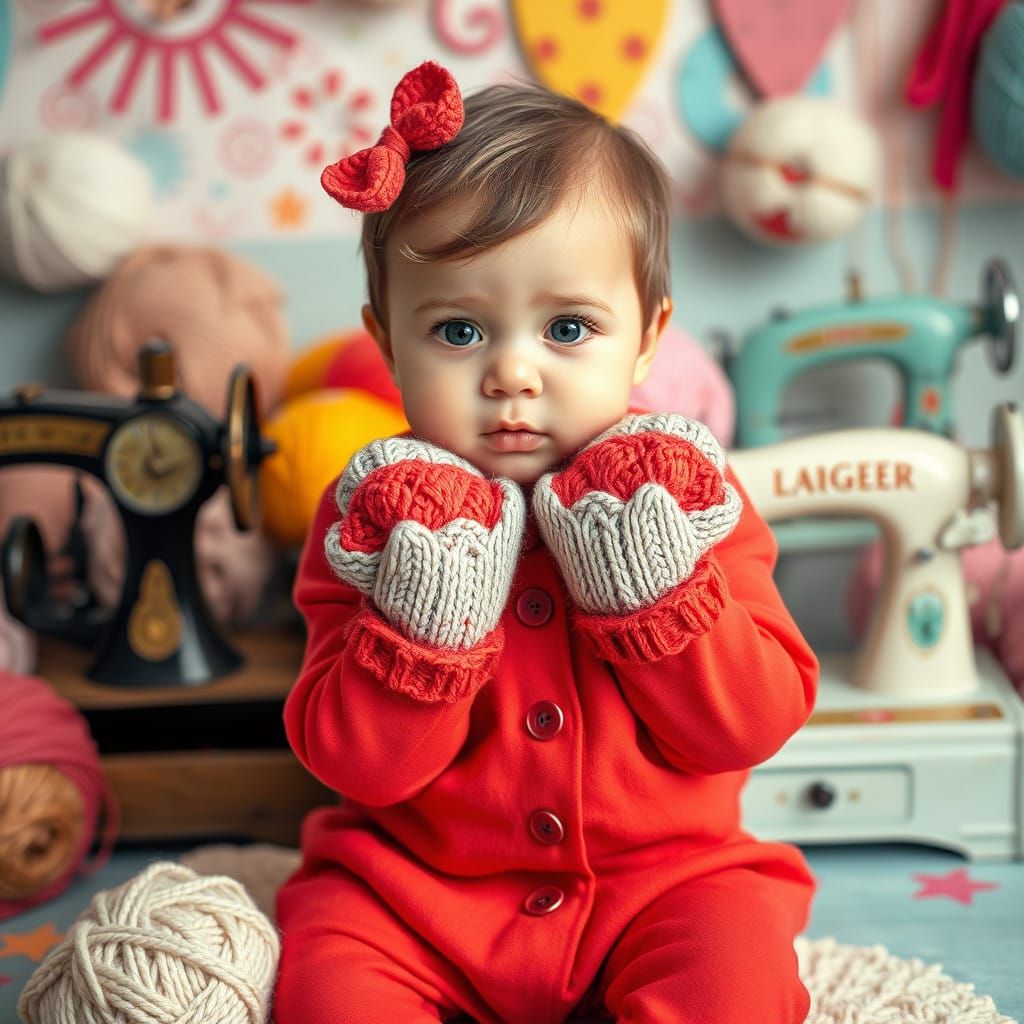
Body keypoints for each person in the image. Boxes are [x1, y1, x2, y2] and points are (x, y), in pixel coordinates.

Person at [274, 61, 818, 1024]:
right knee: (330, 988)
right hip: (412, 894)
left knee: (734, 981)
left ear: (647, 340)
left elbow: (750, 724)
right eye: (456, 331)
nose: (512, 373)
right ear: (386, 338)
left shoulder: (686, 493)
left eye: (568, 327)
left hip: (664, 881)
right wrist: (422, 624)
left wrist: (655, 594)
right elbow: (354, 764)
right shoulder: (374, 512)